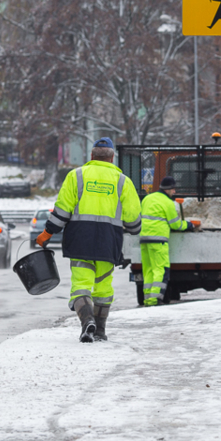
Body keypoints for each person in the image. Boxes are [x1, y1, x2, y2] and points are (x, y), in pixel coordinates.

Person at [36, 137, 141, 342]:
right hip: (108, 242)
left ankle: (87, 322)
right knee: (103, 288)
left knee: (81, 285)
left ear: (92, 156)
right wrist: (132, 228)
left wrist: (47, 233)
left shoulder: (76, 176)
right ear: (112, 159)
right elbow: (133, 220)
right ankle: (100, 330)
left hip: (80, 240)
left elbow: (62, 210)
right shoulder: (123, 181)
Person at [139, 176, 198, 306]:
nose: (174, 192)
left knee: (148, 270)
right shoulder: (167, 202)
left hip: (144, 238)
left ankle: (148, 299)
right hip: (158, 239)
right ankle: (156, 299)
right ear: (168, 189)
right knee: (161, 269)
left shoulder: (147, 198)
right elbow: (175, 225)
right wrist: (189, 225)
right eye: (173, 189)